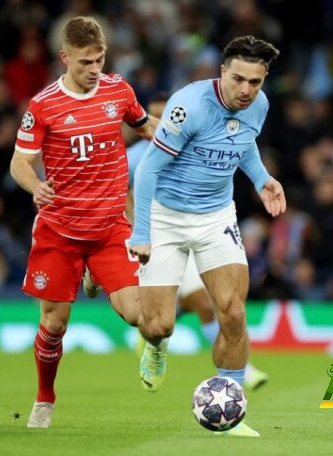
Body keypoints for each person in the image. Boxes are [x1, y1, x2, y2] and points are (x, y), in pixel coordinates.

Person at [129, 36, 286, 438]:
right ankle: (157, 347)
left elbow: (244, 145)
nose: (247, 90)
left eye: (256, 81)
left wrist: (261, 178)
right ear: (222, 72)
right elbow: (146, 170)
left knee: (233, 311)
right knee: (159, 324)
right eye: (239, 79)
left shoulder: (259, 106)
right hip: (166, 217)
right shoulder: (188, 106)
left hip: (217, 216)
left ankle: (230, 407)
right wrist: (143, 232)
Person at [9, 16, 157, 429]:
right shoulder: (43, 106)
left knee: (139, 317)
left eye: (100, 59)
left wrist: (185, 142)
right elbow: (19, 163)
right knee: (54, 325)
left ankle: (97, 276)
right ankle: (44, 399)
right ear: (64, 58)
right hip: (60, 232)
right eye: (86, 62)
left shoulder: (118, 90)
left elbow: (147, 129)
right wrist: (35, 186)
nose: (94, 69)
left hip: (110, 228)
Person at [84, 92, 269, 391]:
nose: (161, 124)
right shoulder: (133, 158)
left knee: (209, 305)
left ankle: (241, 373)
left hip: (192, 232)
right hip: (146, 238)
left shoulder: (192, 143)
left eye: (165, 116)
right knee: (155, 321)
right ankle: (151, 338)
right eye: (154, 117)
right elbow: (106, 190)